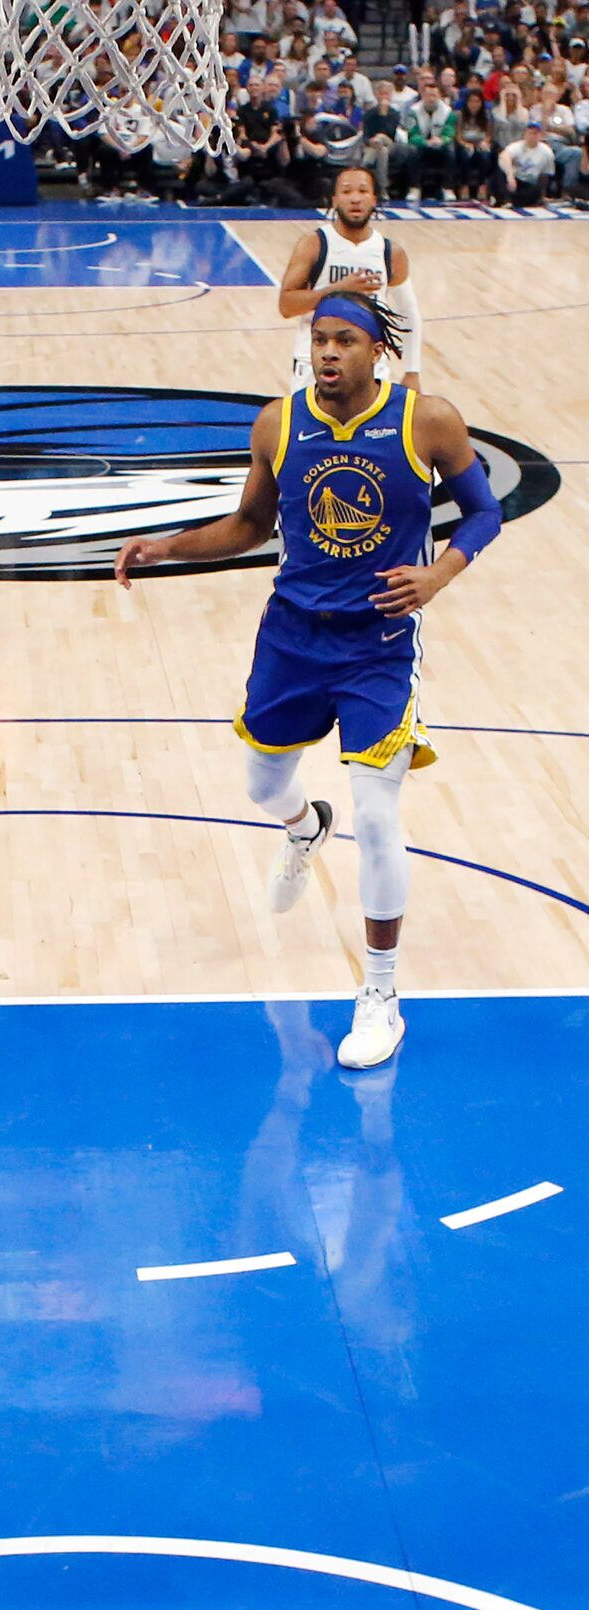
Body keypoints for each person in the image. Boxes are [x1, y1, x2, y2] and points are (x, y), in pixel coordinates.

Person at [115, 295, 503, 1070]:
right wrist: (165, 547)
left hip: (377, 646)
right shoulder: (276, 424)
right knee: (261, 785)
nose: (327, 353)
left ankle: (381, 994)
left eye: (343, 340)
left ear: (375, 352)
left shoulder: (428, 421)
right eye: (318, 339)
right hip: (291, 637)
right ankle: (301, 826)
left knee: (378, 810)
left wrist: (437, 576)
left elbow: (483, 512)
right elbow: (248, 527)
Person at [277, 166, 422, 389]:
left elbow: (408, 313)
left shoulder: (390, 252)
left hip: (372, 366)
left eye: (363, 191)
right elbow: (286, 305)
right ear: (334, 200)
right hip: (315, 363)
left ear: (374, 199)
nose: (355, 199)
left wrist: (412, 371)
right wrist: (338, 291)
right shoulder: (314, 244)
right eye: (346, 192)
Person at [498, 119, 558, 202]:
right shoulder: (516, 146)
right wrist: (510, 177)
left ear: (540, 135)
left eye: (535, 133)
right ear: (525, 134)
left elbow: (545, 174)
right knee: (499, 174)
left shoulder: (547, 152)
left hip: (529, 183)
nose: (532, 136)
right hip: (514, 178)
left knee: (534, 192)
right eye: (530, 133)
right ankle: (505, 199)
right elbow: (504, 156)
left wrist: (542, 195)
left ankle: (516, 200)